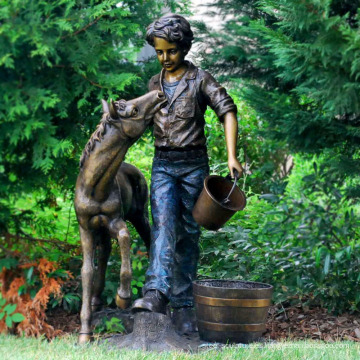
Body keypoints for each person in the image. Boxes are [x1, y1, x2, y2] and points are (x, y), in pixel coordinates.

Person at [132, 14, 243, 334]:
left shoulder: (200, 79)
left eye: (172, 51)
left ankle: (183, 305)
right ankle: (155, 293)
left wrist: (232, 156)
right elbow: (139, 121)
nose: (166, 58)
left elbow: (228, 110)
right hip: (163, 165)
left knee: (189, 235)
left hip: (195, 167)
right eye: (159, 52)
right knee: (163, 226)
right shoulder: (154, 84)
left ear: (185, 47)